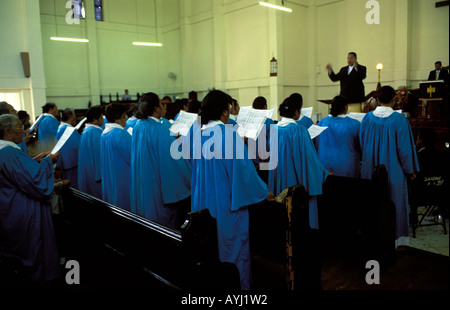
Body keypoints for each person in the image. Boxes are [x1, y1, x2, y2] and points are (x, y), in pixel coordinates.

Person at [191, 90, 275, 290]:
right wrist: (265, 192)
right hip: (226, 205)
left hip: (203, 203)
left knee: (211, 252)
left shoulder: (199, 135)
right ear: (224, 112)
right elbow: (244, 174)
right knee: (232, 251)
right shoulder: (228, 136)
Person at [0, 114, 61, 284]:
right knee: (33, 246)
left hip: (7, 203)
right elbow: (35, 180)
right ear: (7, 130)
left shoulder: (5, 151)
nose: (24, 131)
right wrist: (49, 160)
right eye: (19, 127)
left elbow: (16, 171)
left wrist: (34, 159)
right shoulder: (10, 153)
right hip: (21, 206)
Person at [359, 85, 420, 250]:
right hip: (393, 170)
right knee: (394, 204)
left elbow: (362, 143)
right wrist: (410, 171)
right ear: (394, 100)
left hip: (371, 168)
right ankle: (395, 241)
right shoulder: (399, 120)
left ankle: (373, 237)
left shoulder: (367, 118)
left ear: (377, 99)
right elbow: (405, 150)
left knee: (373, 203)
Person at [130, 92, 192, 230]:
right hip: (158, 187)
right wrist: (191, 175)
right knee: (164, 224)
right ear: (156, 108)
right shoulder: (160, 128)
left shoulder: (138, 126)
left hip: (144, 183)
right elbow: (173, 160)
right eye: (160, 104)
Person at [268, 96, 329, 230]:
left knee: (282, 216)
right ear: (296, 112)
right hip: (295, 181)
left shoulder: (274, 130)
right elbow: (310, 160)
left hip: (279, 178)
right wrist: (323, 172)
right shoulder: (299, 130)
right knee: (297, 218)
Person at [315, 95, 361, 178]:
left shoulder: (321, 123)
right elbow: (361, 146)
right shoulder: (354, 124)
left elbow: (317, 144)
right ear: (345, 107)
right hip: (346, 168)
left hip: (325, 167)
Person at [101, 103, 132, 211]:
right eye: (125, 116)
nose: (126, 119)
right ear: (118, 118)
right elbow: (133, 157)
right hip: (123, 179)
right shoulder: (121, 134)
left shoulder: (104, 133)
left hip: (111, 177)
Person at [78, 105, 104, 199]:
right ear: (95, 119)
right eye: (101, 117)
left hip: (87, 172)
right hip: (95, 175)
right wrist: (100, 176)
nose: (103, 119)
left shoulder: (86, 131)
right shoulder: (95, 133)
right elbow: (98, 157)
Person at [56, 108, 80, 189]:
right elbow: (78, 147)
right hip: (72, 167)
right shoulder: (68, 129)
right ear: (71, 116)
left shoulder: (61, 127)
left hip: (65, 166)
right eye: (74, 115)